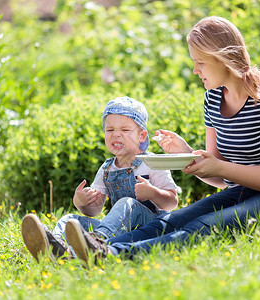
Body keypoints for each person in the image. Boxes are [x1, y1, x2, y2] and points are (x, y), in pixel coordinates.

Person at [64, 16, 260, 264]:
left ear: (223, 58)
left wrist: (220, 167)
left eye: (200, 62)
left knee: (204, 225)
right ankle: (72, 253)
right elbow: (222, 177)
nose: (195, 71)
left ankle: (109, 256)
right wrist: (188, 156)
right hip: (240, 193)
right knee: (171, 221)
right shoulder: (213, 99)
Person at [21, 96, 180, 262]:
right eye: (110, 130)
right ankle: (54, 247)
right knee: (69, 219)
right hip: (119, 230)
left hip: (152, 227)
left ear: (142, 136)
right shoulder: (107, 168)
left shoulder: (152, 163)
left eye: (125, 130)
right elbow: (94, 211)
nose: (116, 135)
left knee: (128, 203)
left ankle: (94, 242)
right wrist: (81, 201)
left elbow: (172, 202)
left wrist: (153, 193)